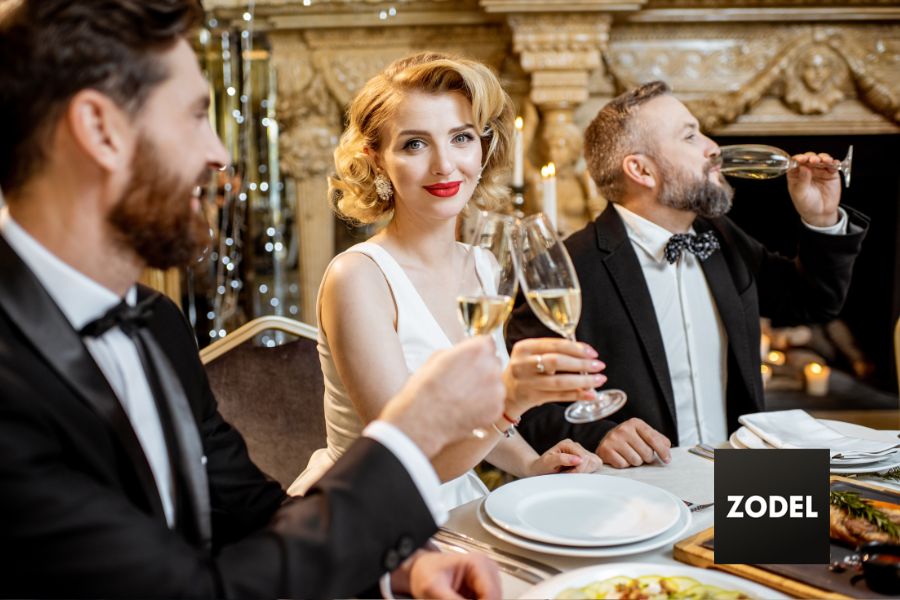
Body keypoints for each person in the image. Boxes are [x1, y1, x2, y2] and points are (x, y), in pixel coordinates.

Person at [0, 1, 507, 597]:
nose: (219, 155)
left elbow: (245, 511)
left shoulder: (156, 323)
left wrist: (400, 565)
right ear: (100, 130)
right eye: (195, 116)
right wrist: (412, 433)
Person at [287, 52, 605, 502]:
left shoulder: (483, 265)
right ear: (376, 159)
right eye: (415, 144)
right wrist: (511, 402)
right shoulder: (357, 278)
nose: (445, 165)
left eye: (461, 137)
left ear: (483, 146)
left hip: (454, 501)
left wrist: (531, 464)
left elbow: (475, 419)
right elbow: (402, 463)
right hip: (367, 516)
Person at [507, 81, 868, 469]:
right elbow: (523, 406)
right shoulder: (568, 266)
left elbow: (814, 302)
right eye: (690, 135)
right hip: (645, 495)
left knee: (804, 527)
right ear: (641, 170)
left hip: (747, 477)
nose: (712, 146)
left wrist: (821, 218)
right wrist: (599, 436)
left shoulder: (722, 236)